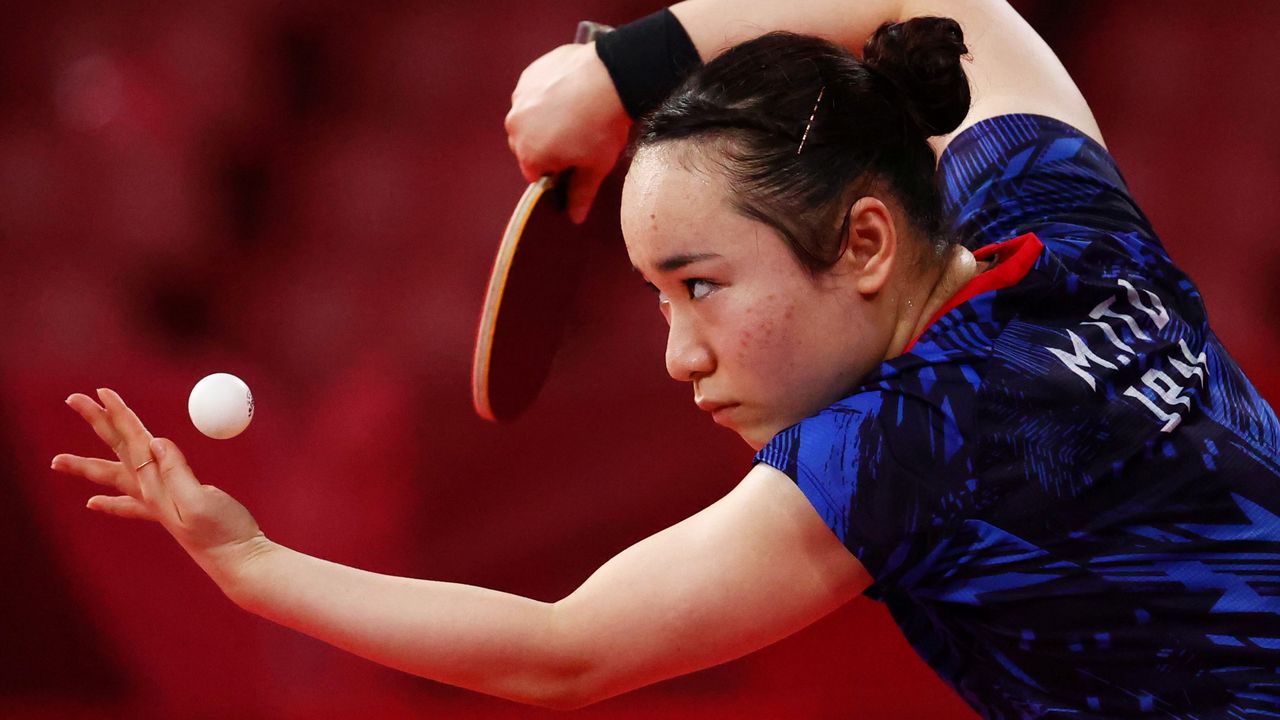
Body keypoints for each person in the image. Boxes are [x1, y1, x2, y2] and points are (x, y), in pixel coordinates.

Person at [52, 0, 1280, 717]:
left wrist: (250, 563)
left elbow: (561, 649)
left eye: (698, 286)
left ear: (861, 240)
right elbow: (965, 9)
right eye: (654, 297)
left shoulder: (906, 450)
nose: (677, 355)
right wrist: (620, 72)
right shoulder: (1055, 217)